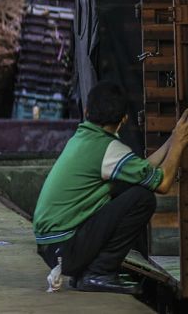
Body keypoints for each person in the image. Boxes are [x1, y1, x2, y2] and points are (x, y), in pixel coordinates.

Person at [33, 80, 188, 294]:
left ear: (87, 111)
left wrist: (171, 140)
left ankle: (86, 274)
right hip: (65, 249)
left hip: (54, 248)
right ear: (124, 119)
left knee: (131, 188)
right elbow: (162, 183)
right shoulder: (109, 149)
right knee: (142, 198)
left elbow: (144, 171)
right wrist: (179, 145)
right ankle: (99, 272)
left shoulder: (83, 138)